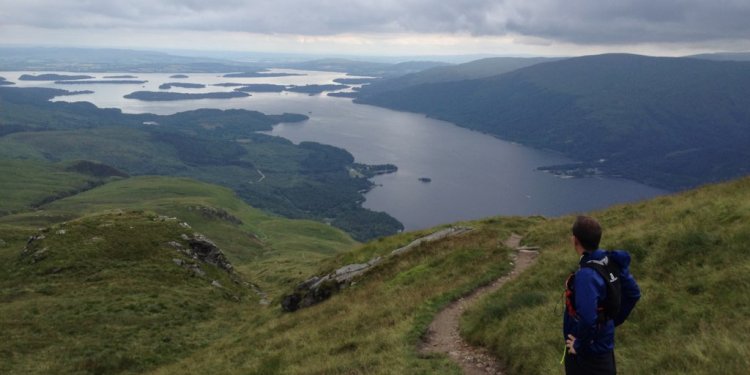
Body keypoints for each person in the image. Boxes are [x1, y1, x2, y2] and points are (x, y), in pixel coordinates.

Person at [563, 216, 641, 375]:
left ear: (575, 240)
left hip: (587, 355)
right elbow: (633, 293)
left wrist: (579, 346)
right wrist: (610, 319)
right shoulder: (610, 261)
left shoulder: (586, 276)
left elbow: (587, 317)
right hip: (603, 346)